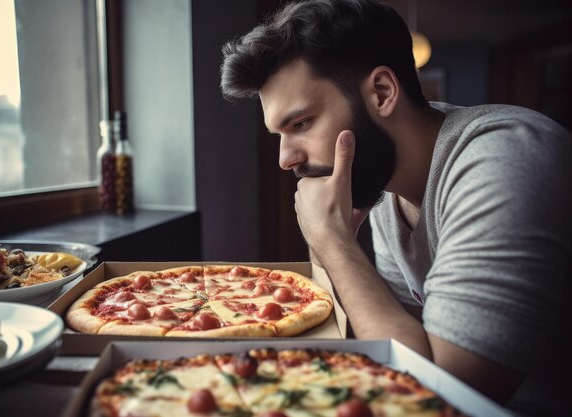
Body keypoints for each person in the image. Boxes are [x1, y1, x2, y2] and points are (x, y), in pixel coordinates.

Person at [219, 0, 572, 416]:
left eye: (301, 124)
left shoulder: (504, 160)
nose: (285, 158)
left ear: (382, 92)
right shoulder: (387, 182)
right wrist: (333, 240)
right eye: (280, 133)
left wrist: (332, 241)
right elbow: (394, 344)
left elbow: (434, 395)